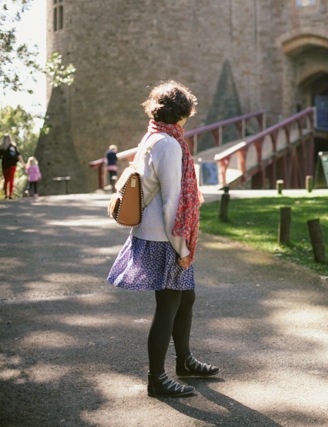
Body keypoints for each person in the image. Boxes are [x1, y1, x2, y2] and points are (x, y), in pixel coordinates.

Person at [107, 81, 217, 398]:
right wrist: (183, 248)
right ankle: (157, 378)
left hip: (153, 232)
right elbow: (172, 204)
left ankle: (184, 361)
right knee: (168, 304)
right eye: (188, 114)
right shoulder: (168, 145)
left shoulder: (152, 136)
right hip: (164, 238)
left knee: (187, 296)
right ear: (180, 113)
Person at [0, 134, 27, 199]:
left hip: (5, 166)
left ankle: (6, 194)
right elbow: (18, 155)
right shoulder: (12, 147)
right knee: (11, 180)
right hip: (12, 165)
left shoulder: (2, 147)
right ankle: (10, 194)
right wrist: (24, 164)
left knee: (6, 180)